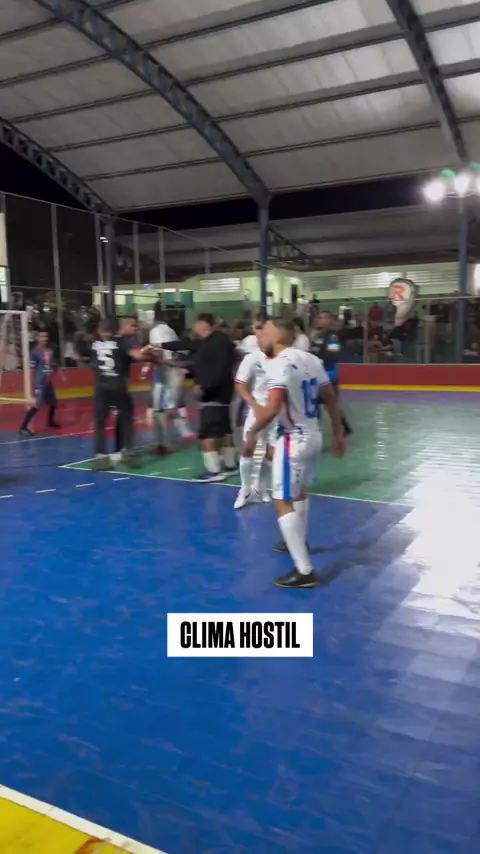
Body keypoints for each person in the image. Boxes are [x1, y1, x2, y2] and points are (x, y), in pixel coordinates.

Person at [244, 317, 346, 589]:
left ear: (278, 336)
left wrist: (252, 433)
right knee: (298, 491)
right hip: (313, 435)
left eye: (264, 332)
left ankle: (304, 571)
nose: (259, 336)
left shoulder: (279, 365)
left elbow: (274, 406)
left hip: (293, 439)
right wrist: (338, 433)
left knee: (281, 499)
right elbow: (331, 398)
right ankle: (299, 541)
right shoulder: (311, 359)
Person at [163, 313, 238, 482]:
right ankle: (230, 464)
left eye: (196, 323)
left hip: (213, 393)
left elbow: (219, 367)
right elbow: (199, 359)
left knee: (207, 433)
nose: (193, 327)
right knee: (223, 430)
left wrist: (204, 386)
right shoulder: (212, 343)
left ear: (203, 324)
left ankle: (213, 470)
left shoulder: (216, 342)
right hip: (222, 393)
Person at [90, 319, 152, 471]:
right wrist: (150, 352)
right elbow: (138, 356)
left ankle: (101, 457)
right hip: (117, 386)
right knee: (126, 417)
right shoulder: (122, 343)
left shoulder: (94, 345)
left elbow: (88, 361)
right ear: (116, 329)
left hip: (101, 387)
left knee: (100, 423)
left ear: (99, 331)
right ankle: (127, 451)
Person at [234, 319, 273, 509]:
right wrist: (255, 406)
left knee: (269, 452)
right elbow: (240, 384)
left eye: (263, 334)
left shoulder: (285, 357)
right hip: (257, 409)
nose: (259, 338)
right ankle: (245, 489)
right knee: (248, 446)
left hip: (277, 412)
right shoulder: (252, 358)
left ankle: (260, 487)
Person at [149, 315, 194, 454]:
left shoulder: (155, 331)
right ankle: (184, 432)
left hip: (165, 372)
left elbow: (158, 353)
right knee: (169, 406)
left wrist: (146, 356)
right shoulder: (171, 331)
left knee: (160, 409)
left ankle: (165, 444)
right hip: (174, 371)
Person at [310, 311, 352, 436]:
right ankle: (315, 429)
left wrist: (318, 361)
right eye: (320, 317)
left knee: (330, 405)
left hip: (329, 376)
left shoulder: (333, 337)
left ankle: (342, 428)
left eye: (325, 318)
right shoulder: (315, 337)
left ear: (330, 321)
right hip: (315, 376)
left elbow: (333, 354)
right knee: (315, 403)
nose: (322, 320)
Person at [19, 329, 60, 435]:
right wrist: (34, 386)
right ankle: (23, 427)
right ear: (37, 338)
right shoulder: (34, 352)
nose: (44, 339)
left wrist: (57, 370)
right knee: (37, 404)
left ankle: (50, 422)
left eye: (45, 336)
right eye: (41, 336)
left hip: (48, 381)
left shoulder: (49, 351)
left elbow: (51, 364)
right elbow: (32, 369)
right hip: (40, 382)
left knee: (54, 402)